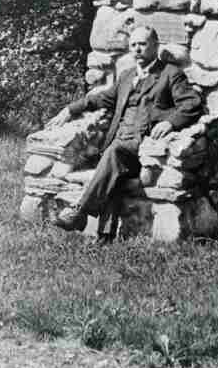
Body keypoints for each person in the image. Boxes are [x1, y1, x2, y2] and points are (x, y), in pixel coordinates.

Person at [46, 25, 202, 234]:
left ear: (155, 46)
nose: (137, 49)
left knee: (114, 154)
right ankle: (104, 235)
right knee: (112, 161)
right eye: (133, 45)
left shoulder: (170, 74)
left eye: (142, 44)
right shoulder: (126, 76)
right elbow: (101, 98)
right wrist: (70, 109)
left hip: (142, 146)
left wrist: (170, 122)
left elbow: (192, 104)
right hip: (118, 144)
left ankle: (79, 212)